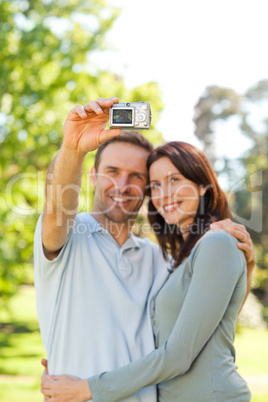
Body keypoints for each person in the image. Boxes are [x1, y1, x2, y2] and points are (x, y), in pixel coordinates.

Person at [37, 97, 255, 401]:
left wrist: (238, 263)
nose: (123, 184)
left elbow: (201, 322)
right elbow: (56, 208)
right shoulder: (69, 238)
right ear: (92, 176)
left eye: (137, 177)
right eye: (112, 171)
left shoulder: (160, 259)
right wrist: (73, 148)